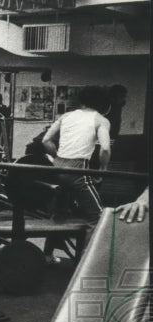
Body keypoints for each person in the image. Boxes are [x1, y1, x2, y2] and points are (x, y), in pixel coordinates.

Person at [40, 84, 110, 260]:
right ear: (103, 103)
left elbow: (46, 140)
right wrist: (103, 169)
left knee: (59, 215)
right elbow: (106, 149)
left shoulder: (66, 116)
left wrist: (59, 158)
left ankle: (47, 255)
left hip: (58, 168)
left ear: (82, 101)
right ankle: (85, 263)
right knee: (98, 218)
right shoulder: (101, 120)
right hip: (78, 170)